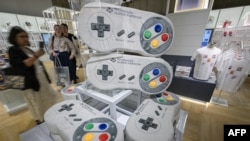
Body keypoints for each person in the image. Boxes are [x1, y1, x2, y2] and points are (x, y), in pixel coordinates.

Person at [7, 26, 60, 124]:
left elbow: (37, 65)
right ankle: (42, 120)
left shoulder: (26, 49)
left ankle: (51, 114)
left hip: (40, 80)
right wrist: (36, 55)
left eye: (26, 36)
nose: (25, 38)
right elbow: (23, 65)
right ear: (14, 38)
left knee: (48, 97)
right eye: (22, 36)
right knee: (37, 102)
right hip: (30, 83)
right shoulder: (13, 50)